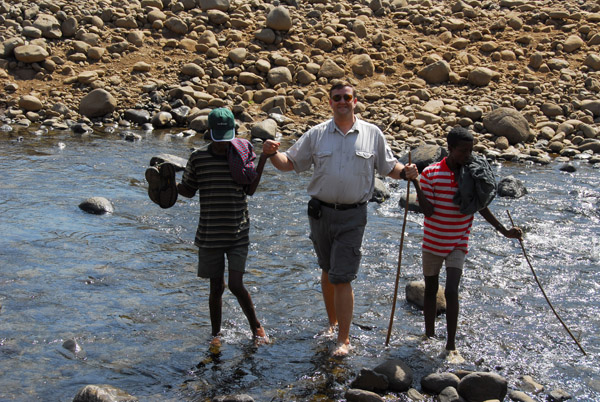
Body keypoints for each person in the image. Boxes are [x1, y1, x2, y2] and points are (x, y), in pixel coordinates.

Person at [262, 81, 418, 356]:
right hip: (320, 213)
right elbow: (290, 163)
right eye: (337, 98)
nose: (342, 101)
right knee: (327, 269)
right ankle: (332, 324)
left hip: (353, 215)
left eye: (347, 97)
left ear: (355, 101)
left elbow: (388, 167)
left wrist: (406, 172)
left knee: (342, 276)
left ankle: (344, 341)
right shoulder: (317, 134)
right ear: (330, 102)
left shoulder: (373, 133)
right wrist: (272, 153)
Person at [412, 126, 522, 363]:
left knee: (451, 291)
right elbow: (428, 211)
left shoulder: (472, 173)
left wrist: (504, 231)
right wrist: (416, 184)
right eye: (463, 151)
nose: (468, 155)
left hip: (458, 241)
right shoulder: (431, 173)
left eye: (470, 150)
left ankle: (450, 345)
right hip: (432, 241)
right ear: (449, 149)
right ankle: (429, 335)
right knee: (431, 290)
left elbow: (480, 206)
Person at [176, 107, 269, 347]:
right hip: (209, 234)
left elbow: (250, 189)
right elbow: (187, 191)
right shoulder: (198, 158)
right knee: (216, 287)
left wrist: (264, 160)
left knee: (236, 285)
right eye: (218, 139)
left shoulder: (241, 154)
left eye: (226, 139)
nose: (222, 145)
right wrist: (167, 185)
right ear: (209, 133)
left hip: (238, 231)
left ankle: (256, 326)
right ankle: (215, 334)